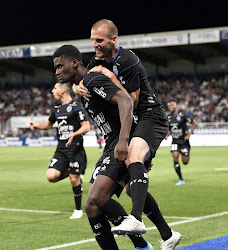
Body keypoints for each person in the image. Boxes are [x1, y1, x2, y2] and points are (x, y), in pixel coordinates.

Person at [75, 19, 181, 247]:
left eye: (100, 40)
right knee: (132, 189)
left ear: (114, 39)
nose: (95, 45)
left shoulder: (128, 60)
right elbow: (88, 79)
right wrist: (78, 86)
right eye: (92, 40)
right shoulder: (97, 61)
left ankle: (136, 220)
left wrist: (111, 78)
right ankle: (168, 235)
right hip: (135, 124)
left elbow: (130, 101)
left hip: (150, 115)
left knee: (133, 154)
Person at [53, 44, 156, 249]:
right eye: (55, 68)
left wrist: (125, 142)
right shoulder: (83, 86)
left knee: (98, 197)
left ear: (74, 63)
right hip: (111, 144)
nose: (56, 71)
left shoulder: (92, 79)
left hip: (120, 143)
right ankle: (142, 246)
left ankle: (145, 244)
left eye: (59, 66)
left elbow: (126, 101)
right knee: (92, 206)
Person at [29, 82, 90, 219]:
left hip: (75, 149)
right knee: (51, 176)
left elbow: (86, 127)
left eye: (55, 88)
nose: (52, 91)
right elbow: (48, 124)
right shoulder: (56, 109)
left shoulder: (76, 107)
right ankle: (74, 174)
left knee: (73, 179)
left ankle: (78, 210)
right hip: (61, 149)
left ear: (63, 90)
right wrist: (36, 125)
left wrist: (74, 134)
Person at [165, 100, 197, 185]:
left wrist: (189, 134)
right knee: (175, 158)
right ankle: (181, 179)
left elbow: (194, 123)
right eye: (169, 105)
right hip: (175, 142)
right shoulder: (168, 118)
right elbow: (171, 129)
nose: (170, 106)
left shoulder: (183, 116)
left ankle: (186, 154)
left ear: (176, 106)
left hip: (184, 142)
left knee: (185, 162)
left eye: (172, 105)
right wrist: (167, 135)